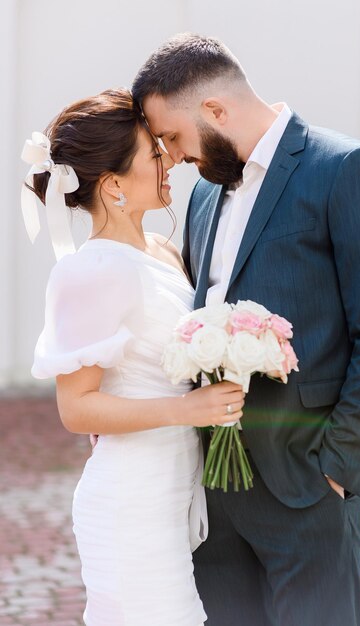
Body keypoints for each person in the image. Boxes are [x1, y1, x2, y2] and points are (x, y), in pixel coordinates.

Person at [132, 33, 360, 626]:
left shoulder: (349, 170)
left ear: (214, 111)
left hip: (310, 482)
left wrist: (339, 467)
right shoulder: (207, 194)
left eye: (174, 138)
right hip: (216, 489)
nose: (174, 157)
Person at [24, 88, 245, 626]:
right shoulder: (91, 271)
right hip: (131, 507)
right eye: (154, 153)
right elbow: (77, 409)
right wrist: (187, 411)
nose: (169, 159)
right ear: (114, 184)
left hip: (174, 492)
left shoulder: (163, 252)